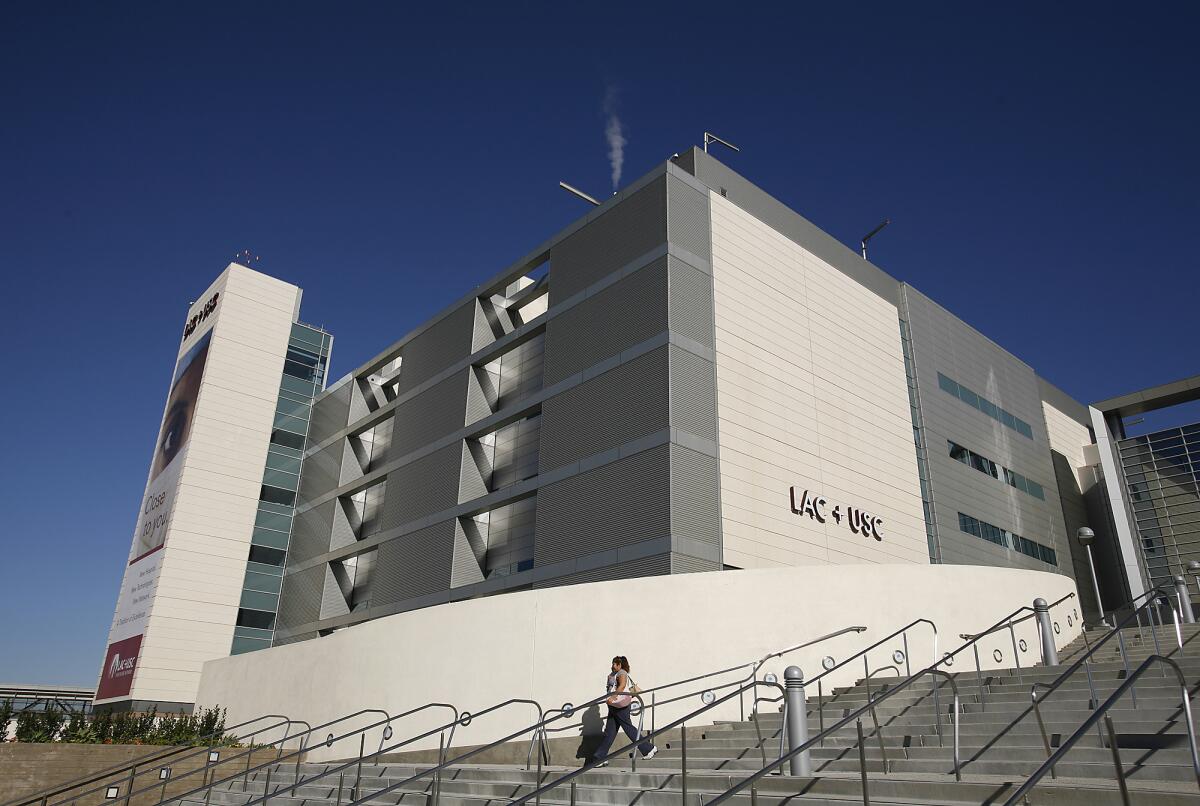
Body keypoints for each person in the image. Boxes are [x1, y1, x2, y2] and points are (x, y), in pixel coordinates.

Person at [589, 655, 657, 766]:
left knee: (628, 729)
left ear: (620, 665)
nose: (612, 665)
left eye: (615, 663)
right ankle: (599, 757)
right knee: (609, 733)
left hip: (621, 706)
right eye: (612, 663)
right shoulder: (612, 674)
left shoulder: (622, 673)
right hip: (613, 706)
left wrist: (612, 697)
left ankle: (649, 748)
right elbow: (610, 687)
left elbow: (621, 687)